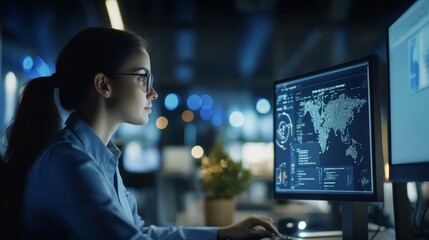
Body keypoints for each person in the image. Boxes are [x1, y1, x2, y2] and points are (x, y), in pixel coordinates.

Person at [0, 27, 280, 239]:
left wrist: (221, 234)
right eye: (141, 77)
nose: (153, 92)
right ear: (103, 85)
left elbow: (140, 231)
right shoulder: (69, 162)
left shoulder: (96, 157)